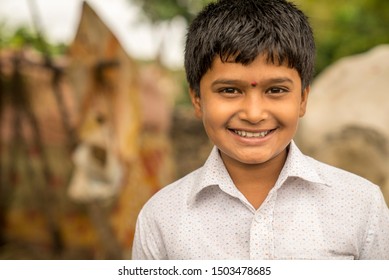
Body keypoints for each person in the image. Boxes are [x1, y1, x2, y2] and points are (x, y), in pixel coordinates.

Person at [132, 0, 389, 259]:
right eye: (230, 90)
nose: (254, 114)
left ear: (302, 99)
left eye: (276, 90)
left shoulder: (361, 205)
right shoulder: (161, 218)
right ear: (197, 100)